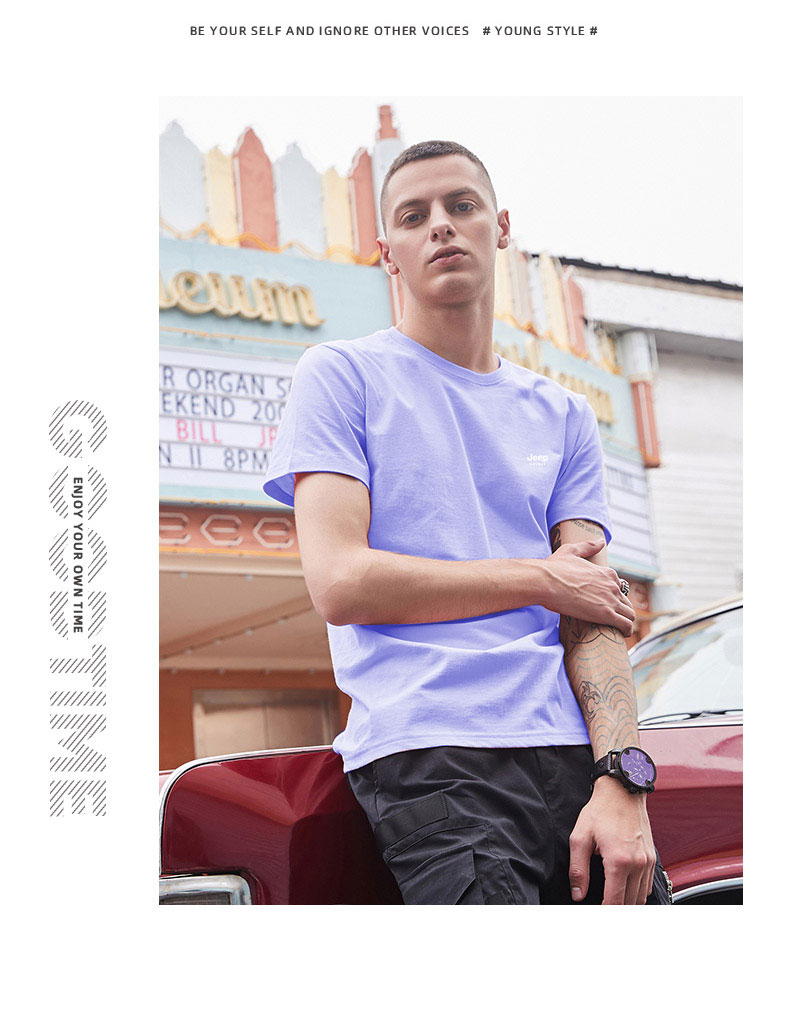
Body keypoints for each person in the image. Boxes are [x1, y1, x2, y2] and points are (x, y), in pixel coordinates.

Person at [262, 140, 671, 905]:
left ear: (501, 226)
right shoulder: (341, 375)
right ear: (387, 253)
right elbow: (341, 582)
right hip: (431, 754)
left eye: (460, 205)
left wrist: (623, 777)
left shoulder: (566, 414)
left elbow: (593, 611)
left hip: (575, 757)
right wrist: (540, 578)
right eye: (413, 216)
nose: (440, 226)